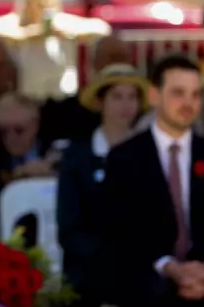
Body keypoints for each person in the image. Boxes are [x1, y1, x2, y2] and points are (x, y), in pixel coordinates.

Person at [99, 55, 204, 306]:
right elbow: (117, 231)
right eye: (178, 93)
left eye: (195, 94)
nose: (188, 103)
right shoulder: (124, 158)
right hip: (147, 278)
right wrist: (169, 267)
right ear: (154, 96)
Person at [57, 64, 149, 307]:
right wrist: (109, 257)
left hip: (140, 273)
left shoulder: (150, 154)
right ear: (100, 102)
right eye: (117, 96)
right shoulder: (77, 157)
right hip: (87, 275)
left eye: (132, 97)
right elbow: (69, 228)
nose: (125, 105)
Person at [0, 0, 111, 100]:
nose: (43, 8)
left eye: (48, 2)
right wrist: (29, 34)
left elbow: (103, 28)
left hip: (62, 99)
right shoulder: (17, 22)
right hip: (28, 98)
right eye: (38, 2)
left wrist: (67, 32)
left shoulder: (62, 22)